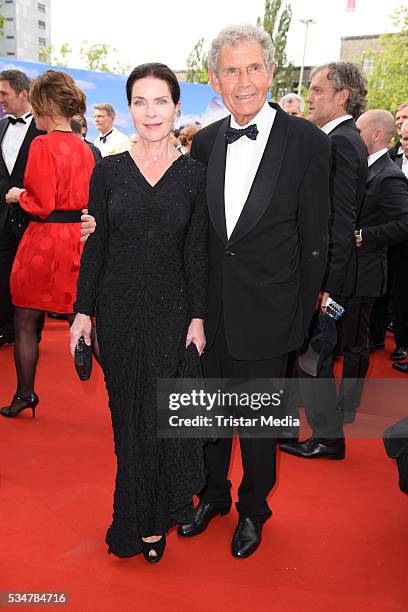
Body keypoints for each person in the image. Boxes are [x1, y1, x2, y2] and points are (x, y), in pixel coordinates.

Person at [80, 24, 331, 559]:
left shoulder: (308, 141)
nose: (243, 81)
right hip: (200, 309)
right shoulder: (209, 140)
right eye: (231, 71)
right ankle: (212, 496)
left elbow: (318, 238)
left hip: (270, 310)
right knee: (206, 416)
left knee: (258, 424)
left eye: (253, 68)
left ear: (270, 72)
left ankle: (253, 510)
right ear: (215, 80)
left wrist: (299, 315)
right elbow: (181, 224)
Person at [71, 63, 208, 563]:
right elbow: (96, 246)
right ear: (129, 108)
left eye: (160, 102)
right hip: (119, 311)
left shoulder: (194, 174)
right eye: (140, 102)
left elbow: (196, 253)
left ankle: (147, 519)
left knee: (159, 419)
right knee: (127, 421)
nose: (150, 113)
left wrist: (197, 317)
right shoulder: (107, 170)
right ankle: (138, 522)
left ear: (176, 107)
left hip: (172, 315)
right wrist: (82, 312)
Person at [280, 61, 368, 460]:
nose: (310, 96)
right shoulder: (335, 139)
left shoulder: (342, 142)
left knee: (315, 353)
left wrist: (326, 284)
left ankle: (329, 438)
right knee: (306, 354)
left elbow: (340, 218)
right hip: (317, 271)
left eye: (316, 90)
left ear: (341, 96)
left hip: (325, 276)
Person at [0, 70, 95, 418]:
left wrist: (16, 195)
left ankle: (25, 394)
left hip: (42, 244)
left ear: (45, 105)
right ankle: (127, 393)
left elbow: (40, 203)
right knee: (83, 320)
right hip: (75, 243)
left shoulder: (41, 145)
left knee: (25, 320)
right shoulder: (84, 149)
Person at [334, 109, 408, 420]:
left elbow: (406, 221)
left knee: (355, 342)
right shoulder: (366, 169)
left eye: (359, 130)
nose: (354, 136)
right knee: (346, 338)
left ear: (376, 135)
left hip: (366, 270)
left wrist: (363, 235)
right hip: (351, 269)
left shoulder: (389, 175)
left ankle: (347, 407)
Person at [0, 70, 45, 347]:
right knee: (3, 274)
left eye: (4, 93)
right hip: (2, 217)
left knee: (32, 280)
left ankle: (30, 333)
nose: (0, 99)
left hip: (33, 217)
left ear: (23, 94)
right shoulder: (1, 126)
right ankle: (5, 327)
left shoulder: (43, 129)